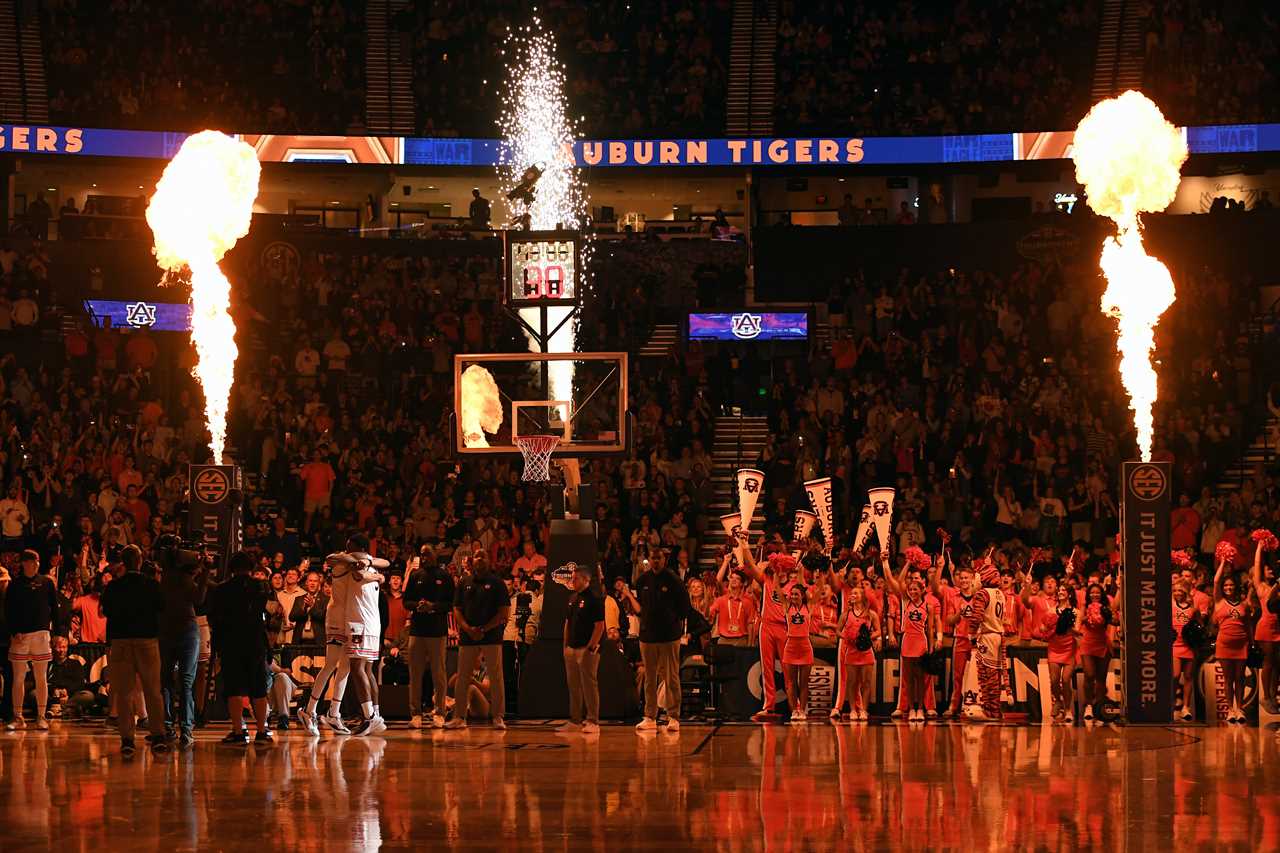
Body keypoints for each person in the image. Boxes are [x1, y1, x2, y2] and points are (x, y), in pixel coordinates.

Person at [99, 545, 168, 754]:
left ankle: (127, 739)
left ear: (123, 563)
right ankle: (158, 735)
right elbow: (161, 607)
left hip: (121, 641)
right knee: (153, 690)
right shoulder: (151, 585)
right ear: (139, 561)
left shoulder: (113, 587)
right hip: (147, 640)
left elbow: (107, 611)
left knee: (124, 692)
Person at [207, 550, 273, 745]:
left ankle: (238, 731)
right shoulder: (261, 587)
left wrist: (217, 646)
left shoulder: (221, 589)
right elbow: (263, 618)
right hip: (255, 641)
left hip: (231, 642)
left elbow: (216, 620)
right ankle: (261, 731)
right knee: (259, 688)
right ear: (251, 568)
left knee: (233, 688)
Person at [620, 551, 689, 732]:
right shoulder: (642, 580)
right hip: (647, 637)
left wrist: (673, 624)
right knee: (650, 677)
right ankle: (650, 716)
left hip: (669, 637)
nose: (656, 561)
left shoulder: (674, 580)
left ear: (664, 559)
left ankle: (673, 716)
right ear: (649, 560)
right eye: (653, 558)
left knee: (671, 677)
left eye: (659, 558)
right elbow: (641, 609)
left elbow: (684, 608)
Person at [332, 534, 389, 736]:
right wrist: (369, 564)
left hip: (360, 624)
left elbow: (354, 571)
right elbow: (381, 565)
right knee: (367, 670)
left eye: (350, 548)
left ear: (360, 549)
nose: (346, 552)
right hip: (373, 625)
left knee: (357, 669)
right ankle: (377, 714)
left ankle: (369, 716)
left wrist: (362, 562)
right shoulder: (372, 568)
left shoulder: (358, 570)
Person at [446, 552, 509, 730]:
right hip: (468, 637)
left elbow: (504, 612)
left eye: (483, 556)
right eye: (476, 556)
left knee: (496, 677)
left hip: (491, 636)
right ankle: (459, 717)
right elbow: (457, 609)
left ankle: (498, 716)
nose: (480, 559)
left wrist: (483, 629)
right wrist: (467, 628)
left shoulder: (497, 583)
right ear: (472, 561)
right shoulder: (464, 582)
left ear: (489, 561)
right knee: (463, 676)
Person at [157, 536, 209, 747]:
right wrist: (204, 570)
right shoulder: (182, 577)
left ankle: (170, 726)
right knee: (185, 682)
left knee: (167, 681)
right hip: (186, 629)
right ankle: (185, 729)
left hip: (169, 630)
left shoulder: (167, 576)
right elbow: (199, 599)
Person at [738, 546, 798, 722]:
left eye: (781, 567)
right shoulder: (767, 580)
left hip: (786, 629)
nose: (778, 569)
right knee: (767, 668)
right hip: (767, 626)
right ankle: (768, 706)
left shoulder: (794, 585)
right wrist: (744, 545)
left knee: (789, 669)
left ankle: (795, 707)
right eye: (776, 566)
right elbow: (750, 564)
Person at [299, 554, 354, 736]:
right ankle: (317, 711)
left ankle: (326, 711)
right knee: (336, 665)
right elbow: (331, 558)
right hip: (338, 617)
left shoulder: (350, 568)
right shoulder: (340, 568)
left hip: (343, 617)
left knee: (341, 667)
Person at [403, 548, 454, 729]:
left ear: (435, 555)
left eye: (427, 554)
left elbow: (451, 603)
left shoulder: (444, 576)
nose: (424, 558)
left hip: (437, 632)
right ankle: (415, 713)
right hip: (417, 631)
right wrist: (418, 606)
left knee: (439, 674)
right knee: (415, 674)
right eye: (422, 555)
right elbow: (405, 601)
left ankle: (439, 712)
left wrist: (433, 606)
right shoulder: (416, 575)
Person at [5, 550, 57, 731]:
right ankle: (18, 717)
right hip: (20, 636)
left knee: (41, 678)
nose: (35, 564)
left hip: (41, 635)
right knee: (18, 678)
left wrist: (57, 633)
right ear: (24, 564)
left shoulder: (47, 583)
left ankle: (41, 716)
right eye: (31, 561)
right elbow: (8, 611)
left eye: (36, 561)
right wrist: (13, 631)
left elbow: (54, 610)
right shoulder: (14, 585)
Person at [886, 555, 935, 722]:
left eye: (916, 589)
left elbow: (930, 628)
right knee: (907, 678)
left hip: (921, 641)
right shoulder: (905, 601)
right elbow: (900, 581)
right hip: (907, 641)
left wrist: (931, 646)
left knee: (920, 678)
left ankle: (920, 709)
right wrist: (908, 562)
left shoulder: (928, 606)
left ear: (922, 591)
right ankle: (910, 709)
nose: (913, 591)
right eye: (911, 589)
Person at [559, 563, 605, 734]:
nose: (573, 581)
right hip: (571, 648)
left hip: (586, 649)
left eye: (576, 578)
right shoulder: (572, 598)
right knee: (574, 686)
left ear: (586, 579)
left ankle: (593, 720)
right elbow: (568, 623)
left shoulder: (594, 599)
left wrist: (590, 648)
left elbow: (599, 626)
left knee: (589, 685)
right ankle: (575, 720)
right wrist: (565, 646)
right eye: (572, 578)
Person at [964, 558, 1007, 721]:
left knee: (987, 675)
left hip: (988, 635)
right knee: (995, 675)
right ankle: (994, 710)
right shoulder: (1000, 594)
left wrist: (971, 633)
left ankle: (990, 711)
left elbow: (976, 617)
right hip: (998, 635)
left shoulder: (983, 593)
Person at [1213, 554, 1251, 724]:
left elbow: (1248, 624)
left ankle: (1240, 709)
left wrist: (1251, 642)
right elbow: (1215, 581)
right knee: (1228, 679)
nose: (1228, 587)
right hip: (1224, 645)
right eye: (1226, 585)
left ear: (1235, 587)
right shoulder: (1219, 601)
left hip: (1241, 644)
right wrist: (1222, 562)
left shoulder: (1243, 603)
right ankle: (1230, 710)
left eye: (1231, 585)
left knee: (1240, 678)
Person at [1034, 581, 1079, 723]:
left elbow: (1077, 631)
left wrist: (1066, 625)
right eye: (1059, 590)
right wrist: (1045, 628)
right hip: (1054, 648)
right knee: (1054, 680)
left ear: (1069, 594)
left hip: (1069, 649)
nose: (1060, 592)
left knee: (1066, 680)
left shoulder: (1076, 612)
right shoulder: (1051, 611)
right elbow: (1042, 627)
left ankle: (1067, 710)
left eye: (1064, 590)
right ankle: (1058, 701)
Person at [836, 582, 880, 721]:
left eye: (856, 593)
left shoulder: (871, 614)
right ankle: (853, 710)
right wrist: (847, 637)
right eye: (851, 593)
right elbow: (838, 630)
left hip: (866, 652)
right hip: (851, 651)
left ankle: (864, 710)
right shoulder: (846, 614)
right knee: (852, 682)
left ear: (862, 596)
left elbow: (878, 630)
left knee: (866, 682)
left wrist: (868, 637)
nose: (852, 595)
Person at [1078, 582, 1114, 722]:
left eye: (1097, 592)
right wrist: (1087, 617)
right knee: (1089, 674)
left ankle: (1099, 707)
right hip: (1087, 643)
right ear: (1088, 595)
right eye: (1092, 592)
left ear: (1102, 594)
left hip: (1102, 643)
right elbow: (1078, 621)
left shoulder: (1106, 606)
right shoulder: (1084, 606)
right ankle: (1088, 704)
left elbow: (1114, 621)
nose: (1095, 595)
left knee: (1101, 678)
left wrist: (1108, 616)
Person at [1250, 539, 1279, 715]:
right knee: (1268, 663)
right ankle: (1266, 696)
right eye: (1266, 568)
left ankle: (1273, 696)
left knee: (1277, 664)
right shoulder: (1261, 587)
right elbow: (1257, 563)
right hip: (1266, 628)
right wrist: (1260, 547)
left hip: (1278, 628)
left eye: (1271, 568)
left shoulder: (1277, 586)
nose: (1269, 569)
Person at [781, 584, 815, 720]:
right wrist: (777, 571)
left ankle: (802, 710)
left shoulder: (809, 607)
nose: (793, 596)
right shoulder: (787, 606)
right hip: (790, 646)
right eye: (792, 594)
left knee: (804, 682)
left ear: (802, 596)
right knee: (791, 682)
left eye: (797, 594)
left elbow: (818, 590)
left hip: (805, 646)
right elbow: (777, 587)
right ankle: (794, 710)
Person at [1171, 577, 1202, 722]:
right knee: (1175, 675)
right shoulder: (1170, 606)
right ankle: (1169, 705)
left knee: (1189, 676)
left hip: (1189, 646)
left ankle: (1186, 707)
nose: (1177, 593)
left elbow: (1199, 626)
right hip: (1175, 645)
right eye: (1175, 590)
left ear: (1185, 592)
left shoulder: (1193, 609)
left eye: (1180, 590)